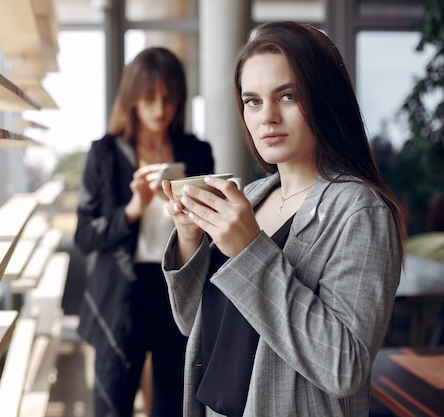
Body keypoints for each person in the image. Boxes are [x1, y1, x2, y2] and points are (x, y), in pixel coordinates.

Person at [161, 21, 406, 417]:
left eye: (287, 95)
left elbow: (343, 366)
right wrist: (190, 237)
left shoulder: (360, 210)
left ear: (324, 99)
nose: (267, 116)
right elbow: (197, 326)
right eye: (252, 101)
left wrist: (247, 252)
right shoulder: (252, 197)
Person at [74, 46, 215, 417]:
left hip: (178, 290)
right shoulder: (104, 154)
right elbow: (85, 236)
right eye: (150, 97)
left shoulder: (196, 152)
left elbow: (213, 235)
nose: (159, 107)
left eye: (168, 97)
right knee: (111, 406)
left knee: (175, 406)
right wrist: (133, 208)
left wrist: (192, 200)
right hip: (122, 293)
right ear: (132, 97)